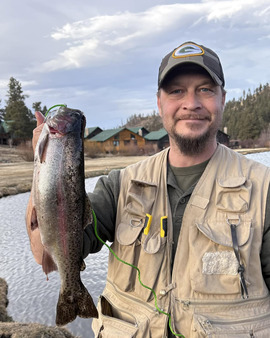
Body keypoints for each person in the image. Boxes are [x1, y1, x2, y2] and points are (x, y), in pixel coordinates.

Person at [27, 41, 270, 337]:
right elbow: (43, 251)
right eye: (176, 91)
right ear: (159, 102)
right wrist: (44, 168)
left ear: (223, 99)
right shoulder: (119, 186)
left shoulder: (264, 190)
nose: (190, 103)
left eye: (205, 89)